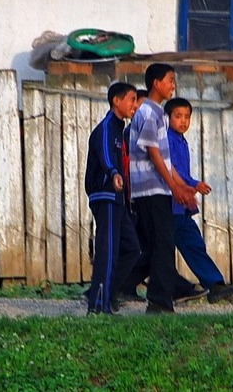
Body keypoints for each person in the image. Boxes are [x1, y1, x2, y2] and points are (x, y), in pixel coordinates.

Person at [120, 63, 200, 313]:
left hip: (160, 189)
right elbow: (153, 153)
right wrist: (173, 187)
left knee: (160, 246)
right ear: (156, 83)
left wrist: (181, 186)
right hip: (149, 189)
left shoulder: (159, 114)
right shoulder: (147, 113)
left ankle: (154, 298)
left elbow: (165, 159)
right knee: (161, 246)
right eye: (169, 80)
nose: (172, 85)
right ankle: (159, 301)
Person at [166, 97, 233, 303]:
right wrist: (192, 185)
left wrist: (191, 186)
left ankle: (215, 285)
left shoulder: (181, 141)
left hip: (181, 206)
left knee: (194, 244)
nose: (183, 121)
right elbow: (172, 170)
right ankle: (119, 287)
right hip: (169, 204)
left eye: (187, 117)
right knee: (151, 255)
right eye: (178, 116)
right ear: (168, 117)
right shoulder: (167, 140)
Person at [83, 82, 142, 314]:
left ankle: (102, 293)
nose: (135, 105)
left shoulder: (120, 129)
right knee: (107, 252)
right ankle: (99, 307)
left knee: (131, 249)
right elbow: (107, 155)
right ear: (116, 101)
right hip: (105, 195)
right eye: (131, 99)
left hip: (117, 198)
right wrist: (113, 172)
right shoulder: (107, 127)